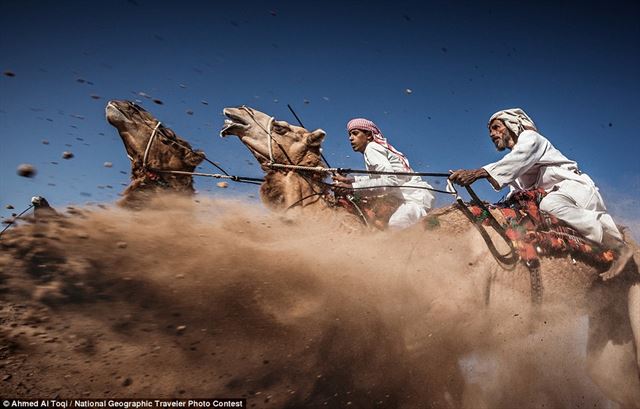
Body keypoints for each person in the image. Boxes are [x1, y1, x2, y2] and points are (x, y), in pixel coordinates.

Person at [449, 108, 633, 279]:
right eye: (490, 131)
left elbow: (516, 160)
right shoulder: (517, 163)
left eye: (496, 127)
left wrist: (477, 173)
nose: (492, 134)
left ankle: (616, 246)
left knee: (549, 205)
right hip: (552, 194)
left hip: (572, 189)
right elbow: (516, 190)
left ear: (513, 124)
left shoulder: (531, 139)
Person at [332, 118, 435, 229]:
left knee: (397, 224)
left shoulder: (372, 148)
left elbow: (390, 181)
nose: (350, 138)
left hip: (415, 199)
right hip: (403, 197)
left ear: (369, 136)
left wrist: (352, 187)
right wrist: (352, 180)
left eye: (355, 133)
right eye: (349, 135)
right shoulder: (374, 149)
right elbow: (380, 178)